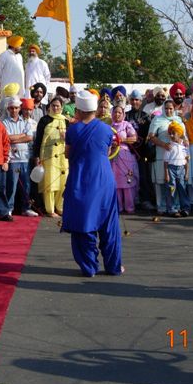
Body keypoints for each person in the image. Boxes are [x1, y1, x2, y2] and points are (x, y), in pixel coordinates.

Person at [61, 90, 123, 277]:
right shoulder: (106, 129)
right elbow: (108, 150)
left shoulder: (73, 130)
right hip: (104, 180)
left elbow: (67, 153)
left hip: (81, 180)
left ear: (79, 110)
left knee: (83, 223)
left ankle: (89, 266)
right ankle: (113, 266)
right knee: (109, 225)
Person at [148, 100, 187, 215]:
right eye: (166, 108)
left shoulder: (178, 120)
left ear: (174, 109)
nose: (168, 111)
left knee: (175, 183)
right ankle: (161, 206)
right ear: (163, 109)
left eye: (171, 108)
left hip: (176, 158)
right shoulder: (157, 119)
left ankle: (175, 206)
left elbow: (184, 137)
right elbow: (151, 136)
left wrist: (183, 141)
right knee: (161, 181)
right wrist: (163, 144)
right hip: (161, 154)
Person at [33, 97, 69, 218]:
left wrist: (66, 137)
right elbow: (38, 139)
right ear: (49, 106)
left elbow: (71, 141)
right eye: (53, 105)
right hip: (48, 157)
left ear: (62, 107)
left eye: (58, 106)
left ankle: (60, 207)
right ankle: (50, 209)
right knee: (50, 183)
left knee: (63, 182)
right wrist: (37, 156)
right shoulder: (44, 120)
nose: (55, 108)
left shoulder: (66, 121)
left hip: (63, 157)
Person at [2, 96, 37, 217]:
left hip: (25, 158)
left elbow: (30, 137)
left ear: (19, 108)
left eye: (16, 108)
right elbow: (6, 138)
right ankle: (9, 208)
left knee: (26, 185)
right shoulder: (4, 123)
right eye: (12, 108)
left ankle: (26, 207)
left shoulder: (25, 122)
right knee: (12, 185)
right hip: (12, 159)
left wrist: (14, 138)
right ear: (8, 109)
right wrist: (22, 135)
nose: (14, 110)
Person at [110, 105, 139, 213]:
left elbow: (134, 138)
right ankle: (119, 206)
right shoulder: (109, 126)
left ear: (123, 114)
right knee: (115, 182)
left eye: (119, 112)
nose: (117, 114)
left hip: (124, 155)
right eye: (115, 112)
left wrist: (122, 140)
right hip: (113, 156)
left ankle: (129, 206)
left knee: (127, 181)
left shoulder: (126, 125)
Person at [163, 122, 191, 217]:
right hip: (171, 169)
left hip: (181, 169)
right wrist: (166, 174)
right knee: (171, 189)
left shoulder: (184, 145)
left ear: (179, 133)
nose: (171, 135)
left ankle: (185, 208)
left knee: (182, 189)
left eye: (173, 133)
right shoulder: (169, 146)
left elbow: (186, 160)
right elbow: (165, 162)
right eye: (170, 133)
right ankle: (172, 209)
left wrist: (187, 173)